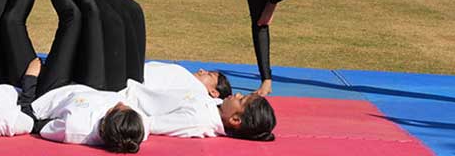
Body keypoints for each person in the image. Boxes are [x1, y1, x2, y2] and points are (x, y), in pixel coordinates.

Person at [122, 79, 276, 141]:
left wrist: (119, 105)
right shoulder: (217, 105)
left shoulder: (198, 119)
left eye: (241, 99)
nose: (237, 94)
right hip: (134, 83)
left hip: (122, 94)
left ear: (235, 119)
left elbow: (149, 124)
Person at [30, 84, 150, 153]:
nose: (121, 102)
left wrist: (30, 79)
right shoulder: (138, 128)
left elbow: (37, 125)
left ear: (109, 114)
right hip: (95, 84)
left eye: (120, 106)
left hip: (54, 87)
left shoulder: (74, 128)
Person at [142, 61, 232, 100]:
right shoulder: (188, 81)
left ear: (213, 92)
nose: (201, 70)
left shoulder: (196, 93)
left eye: (209, 74)